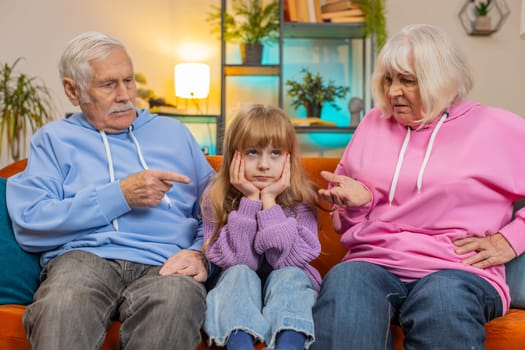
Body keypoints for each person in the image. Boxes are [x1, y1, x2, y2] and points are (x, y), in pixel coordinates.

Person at [311, 24, 525, 350]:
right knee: (344, 285)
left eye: (407, 80)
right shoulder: (373, 123)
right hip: (373, 263)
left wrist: (511, 239)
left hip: (457, 270)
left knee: (442, 300)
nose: (393, 91)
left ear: (441, 79)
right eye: (388, 79)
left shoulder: (496, 127)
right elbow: (344, 221)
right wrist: (355, 204)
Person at [6, 31, 215, 349]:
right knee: (63, 303)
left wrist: (200, 254)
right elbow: (31, 221)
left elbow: (218, 209)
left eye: (128, 81)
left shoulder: (174, 133)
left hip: (166, 261)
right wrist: (120, 195)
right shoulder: (53, 140)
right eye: (108, 84)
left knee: (178, 299)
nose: (125, 95)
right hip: (83, 259)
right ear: (72, 90)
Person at [202, 104, 321, 350]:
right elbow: (239, 261)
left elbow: (286, 261)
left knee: (290, 276)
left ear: (289, 157)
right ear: (234, 155)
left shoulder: (302, 199)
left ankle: (289, 344)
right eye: (253, 153)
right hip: (237, 291)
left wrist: (269, 203)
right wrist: (250, 202)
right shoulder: (214, 196)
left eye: (275, 153)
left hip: (288, 290)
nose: (264, 165)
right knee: (238, 274)